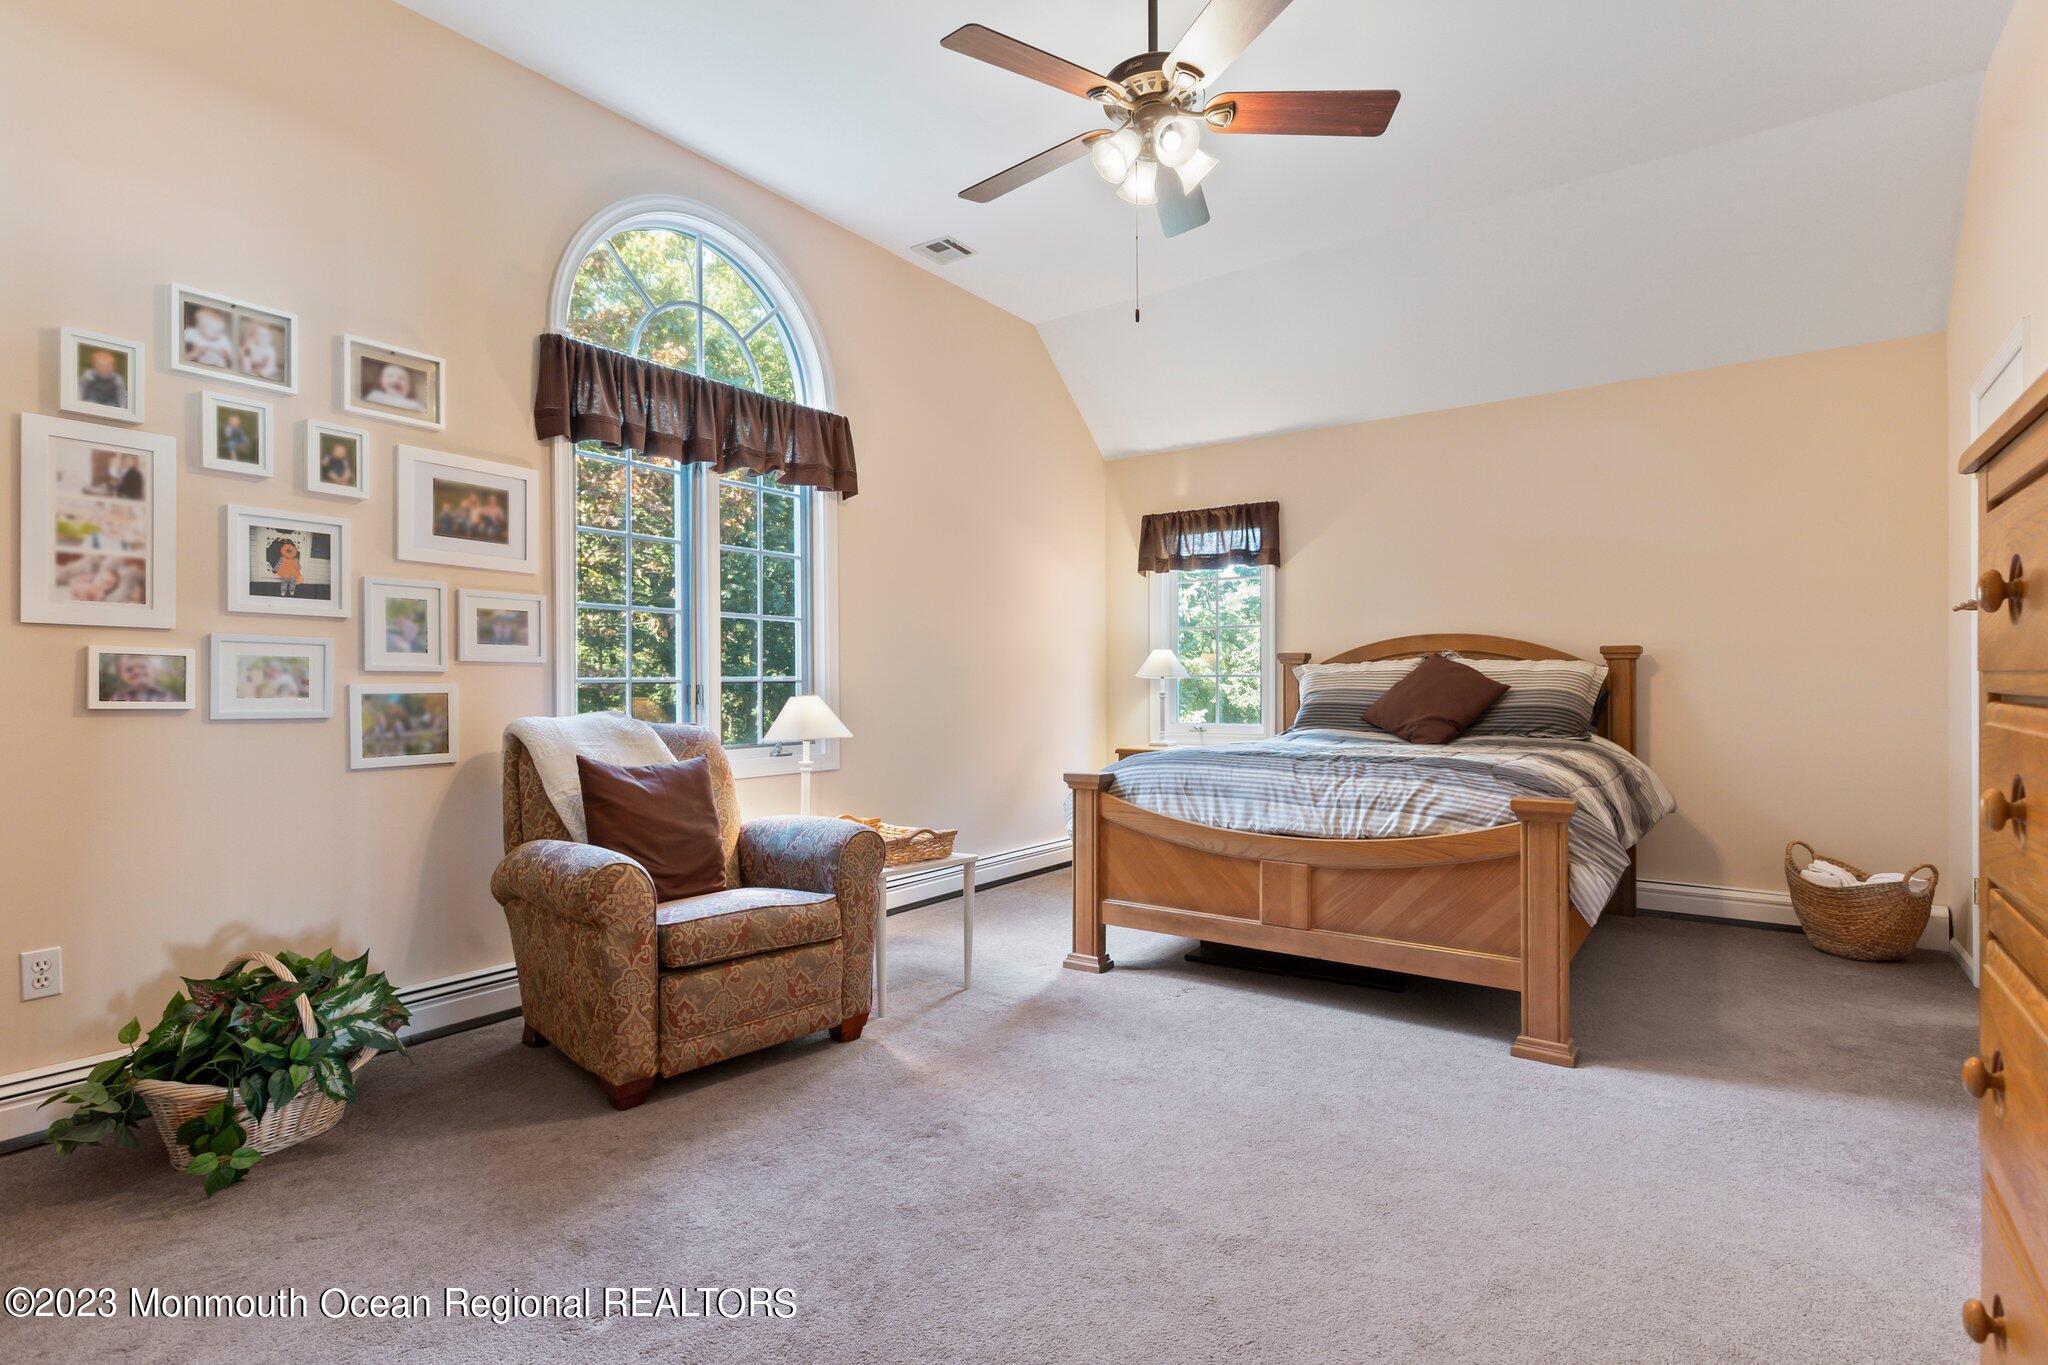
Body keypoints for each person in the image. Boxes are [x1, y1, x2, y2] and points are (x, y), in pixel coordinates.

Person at [182, 305, 235, 369]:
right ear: (199, 327)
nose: (216, 335)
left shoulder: (222, 339)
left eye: (218, 331)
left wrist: (226, 356)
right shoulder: (191, 333)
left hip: (218, 367)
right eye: (210, 328)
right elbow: (179, 358)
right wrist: (194, 353)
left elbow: (232, 362)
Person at [108, 654, 176, 704]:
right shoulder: (117, 697)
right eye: (129, 669)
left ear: (154, 669)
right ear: (122, 676)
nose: (137, 672)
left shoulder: (168, 696)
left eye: (142, 667)